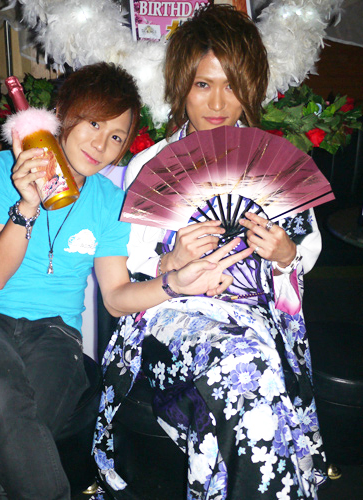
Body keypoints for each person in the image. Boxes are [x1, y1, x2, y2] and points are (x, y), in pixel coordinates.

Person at [0, 61, 251, 500]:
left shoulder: (109, 201)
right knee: (1, 391)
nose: (101, 144)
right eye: (94, 124)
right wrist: (26, 206)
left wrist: (175, 283)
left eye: (116, 137)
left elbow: (116, 296)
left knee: (13, 448)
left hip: (56, 336)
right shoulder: (0, 168)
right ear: (62, 116)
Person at [93, 5, 326, 500]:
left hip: (254, 317)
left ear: (252, 89)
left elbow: (302, 260)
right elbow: (127, 278)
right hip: (172, 318)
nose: (218, 102)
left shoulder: (272, 163)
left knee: (251, 369)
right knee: (250, 367)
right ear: (183, 86)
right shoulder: (151, 164)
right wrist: (171, 259)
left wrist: (284, 254)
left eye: (232, 85)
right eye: (203, 84)